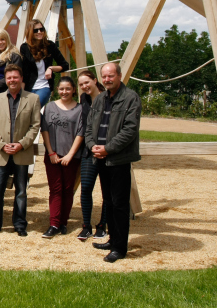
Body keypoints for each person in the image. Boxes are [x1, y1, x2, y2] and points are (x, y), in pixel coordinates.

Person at [85, 62, 141, 263]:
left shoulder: (130, 98)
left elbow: (129, 130)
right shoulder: (100, 99)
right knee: (108, 201)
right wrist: (93, 146)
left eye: (111, 76)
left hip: (118, 159)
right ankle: (112, 239)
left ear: (119, 76)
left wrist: (108, 148)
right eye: (104, 76)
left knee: (119, 204)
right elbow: (90, 127)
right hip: (100, 158)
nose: (107, 79)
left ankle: (120, 247)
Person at [0, 65, 41, 237]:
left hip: (21, 152)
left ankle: (19, 224)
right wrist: (2, 144)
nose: (12, 80)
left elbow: (35, 125)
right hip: (1, 152)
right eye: (9, 78)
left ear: (21, 78)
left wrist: (21, 144)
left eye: (15, 77)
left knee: (21, 192)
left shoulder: (33, 99)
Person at [40, 76, 84, 238]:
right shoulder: (50, 107)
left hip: (71, 156)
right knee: (55, 189)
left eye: (68, 89)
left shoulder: (80, 109)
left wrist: (70, 155)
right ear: (57, 90)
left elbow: (81, 132)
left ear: (73, 90)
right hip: (53, 155)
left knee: (67, 189)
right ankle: (54, 223)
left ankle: (63, 222)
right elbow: (44, 129)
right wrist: (51, 152)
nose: (64, 92)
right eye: (61, 89)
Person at [76, 70, 107, 241]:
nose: (84, 86)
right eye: (81, 84)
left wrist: (106, 147)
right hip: (89, 150)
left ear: (95, 80)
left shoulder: (108, 98)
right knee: (86, 187)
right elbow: (86, 126)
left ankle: (102, 225)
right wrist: (91, 145)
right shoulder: (84, 99)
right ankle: (86, 225)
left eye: (87, 82)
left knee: (107, 191)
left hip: (108, 151)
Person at [20, 19, 69, 107]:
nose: (39, 32)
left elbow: (65, 65)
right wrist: (21, 92)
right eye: (36, 30)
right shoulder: (25, 48)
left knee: (34, 107)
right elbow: (24, 71)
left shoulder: (50, 46)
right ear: (30, 32)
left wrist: (51, 68)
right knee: (26, 111)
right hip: (29, 87)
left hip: (44, 86)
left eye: (41, 29)